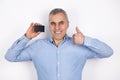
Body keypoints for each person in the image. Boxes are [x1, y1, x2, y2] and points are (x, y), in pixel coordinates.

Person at [5, 8, 113, 80]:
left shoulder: (80, 47)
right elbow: (10, 57)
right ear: (49, 25)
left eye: (61, 23)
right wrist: (26, 37)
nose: (57, 28)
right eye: (53, 23)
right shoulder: (37, 47)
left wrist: (85, 40)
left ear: (67, 24)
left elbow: (108, 52)